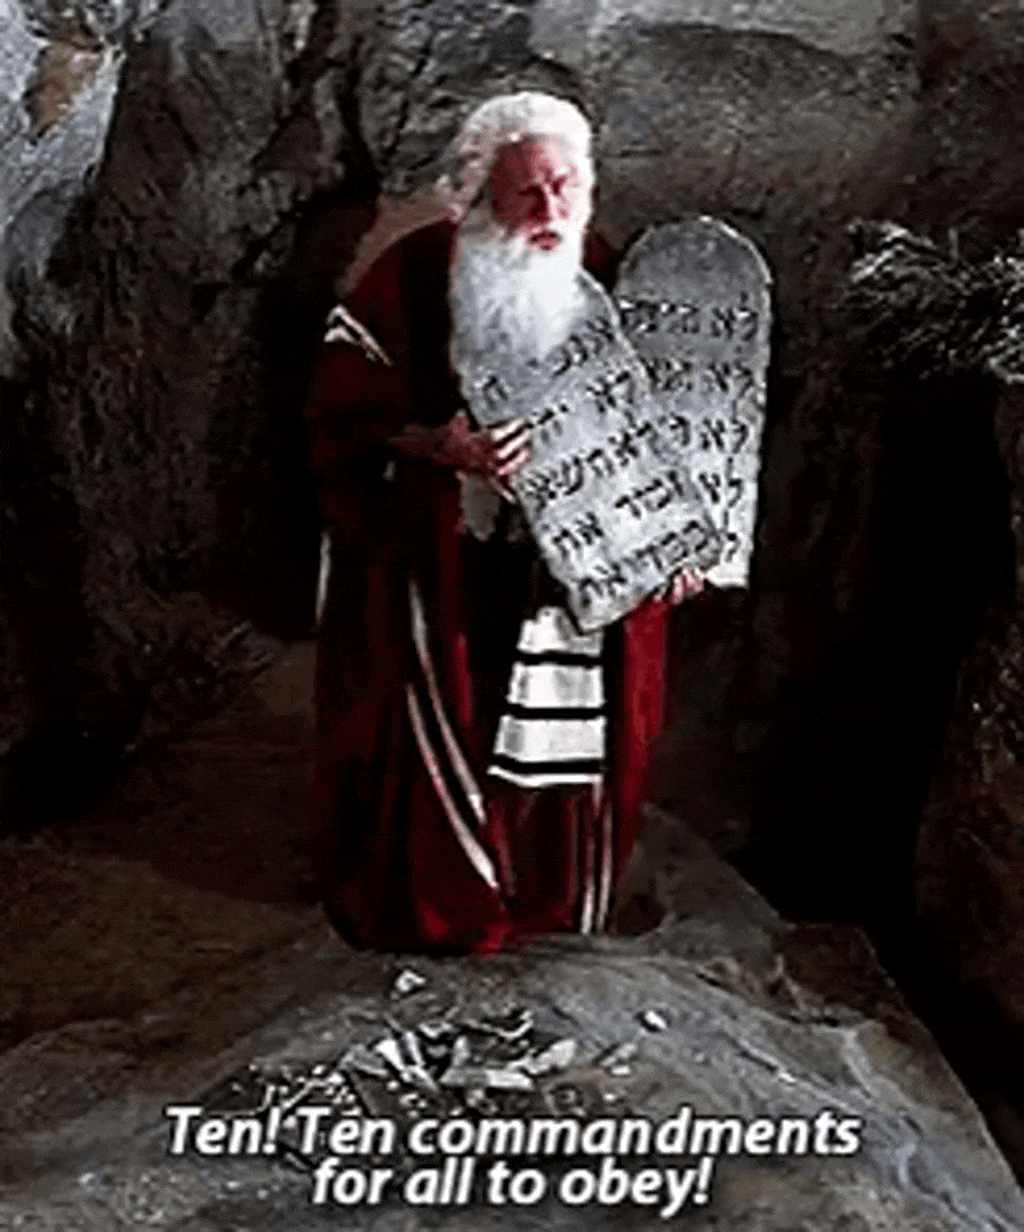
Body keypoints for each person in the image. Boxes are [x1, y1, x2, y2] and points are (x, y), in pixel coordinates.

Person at [304, 92, 703, 954]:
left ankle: (550, 905)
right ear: (481, 194)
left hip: (578, 569)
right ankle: (447, 902)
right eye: (525, 191)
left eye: (564, 186)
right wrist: (436, 446)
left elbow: (690, 429)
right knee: (453, 713)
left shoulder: (621, 276)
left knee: (572, 728)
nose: (548, 209)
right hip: (451, 553)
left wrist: (680, 538)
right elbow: (344, 414)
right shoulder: (413, 274)